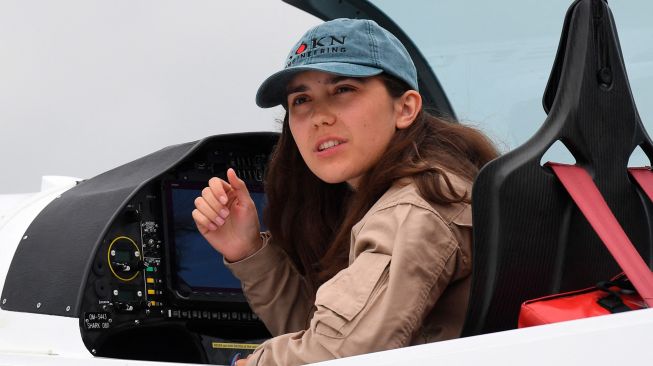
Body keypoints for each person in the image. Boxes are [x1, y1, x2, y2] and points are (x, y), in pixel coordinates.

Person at [192, 18, 498, 366]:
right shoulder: (414, 192)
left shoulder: (416, 208)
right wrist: (248, 251)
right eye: (301, 99)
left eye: (343, 90)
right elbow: (331, 336)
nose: (319, 116)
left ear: (405, 108)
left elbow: (342, 355)